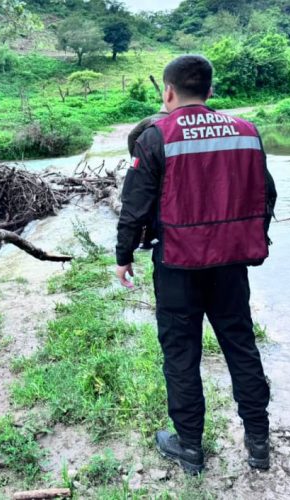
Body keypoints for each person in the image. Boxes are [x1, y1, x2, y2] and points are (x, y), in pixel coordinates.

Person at [115, 55, 277, 475]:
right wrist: (252, 236)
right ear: (209, 90)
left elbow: (134, 206)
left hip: (177, 267)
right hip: (230, 266)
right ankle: (258, 445)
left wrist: (123, 255)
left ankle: (190, 450)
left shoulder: (156, 136)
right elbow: (267, 194)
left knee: (181, 356)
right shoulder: (245, 131)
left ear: (167, 92)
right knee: (241, 347)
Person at [127, 105, 168, 251]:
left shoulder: (147, 120)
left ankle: (141, 241)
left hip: (148, 167)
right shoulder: (173, 121)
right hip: (166, 168)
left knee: (143, 202)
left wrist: (136, 157)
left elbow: (132, 136)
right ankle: (154, 237)